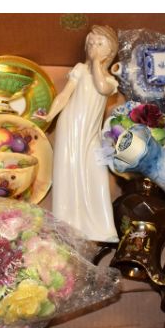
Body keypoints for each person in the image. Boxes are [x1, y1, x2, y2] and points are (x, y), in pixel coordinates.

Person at [44, 25, 119, 242]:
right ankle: (65, 225)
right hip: (71, 124)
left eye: (99, 44)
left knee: (95, 172)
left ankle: (101, 228)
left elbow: (102, 87)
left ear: (110, 51)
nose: (93, 47)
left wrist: (95, 63)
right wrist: (49, 116)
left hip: (91, 130)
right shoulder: (79, 69)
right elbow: (64, 95)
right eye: (91, 44)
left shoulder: (110, 80)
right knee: (68, 168)